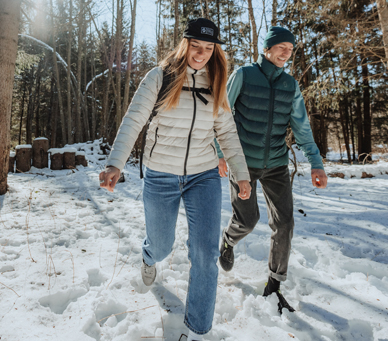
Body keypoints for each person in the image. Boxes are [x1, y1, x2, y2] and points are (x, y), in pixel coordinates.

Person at [99, 18, 251, 341]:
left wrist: (242, 175)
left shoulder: (216, 82)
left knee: (205, 254)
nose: (201, 54)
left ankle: (197, 331)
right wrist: (115, 164)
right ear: (185, 44)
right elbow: (134, 119)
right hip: (161, 175)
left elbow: (227, 132)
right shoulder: (161, 77)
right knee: (162, 244)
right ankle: (148, 256)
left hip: (204, 176)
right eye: (196, 46)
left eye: (208, 48)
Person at [216, 26, 328, 314]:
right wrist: (220, 153)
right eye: (282, 46)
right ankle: (228, 240)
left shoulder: (290, 85)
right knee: (249, 219)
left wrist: (315, 162)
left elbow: (301, 127)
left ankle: (275, 282)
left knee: (285, 224)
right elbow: (222, 113)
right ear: (267, 49)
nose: (287, 52)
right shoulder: (244, 75)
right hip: (243, 162)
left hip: (277, 164)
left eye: (291, 48)